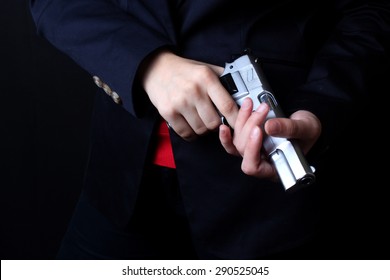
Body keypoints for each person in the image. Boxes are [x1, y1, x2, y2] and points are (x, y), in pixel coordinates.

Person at [29, 0, 390, 259]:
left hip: (269, 203)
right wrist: (146, 63)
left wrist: (320, 108)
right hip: (122, 186)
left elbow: (371, 10)